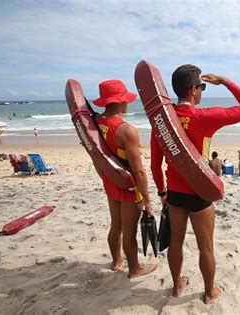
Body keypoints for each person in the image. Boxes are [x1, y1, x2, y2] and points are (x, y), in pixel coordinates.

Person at [150, 64, 240, 304]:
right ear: (193, 90)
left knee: (176, 242)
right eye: (202, 87)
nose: (202, 92)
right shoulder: (205, 116)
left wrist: (162, 192)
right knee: (205, 247)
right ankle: (209, 292)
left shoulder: (162, 122)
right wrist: (226, 81)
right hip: (200, 192)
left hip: (175, 193)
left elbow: (155, 164)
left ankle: (177, 286)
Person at [92, 79, 157, 279]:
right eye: (125, 100)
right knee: (129, 232)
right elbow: (139, 171)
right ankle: (135, 268)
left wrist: (104, 175)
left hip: (111, 180)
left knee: (116, 226)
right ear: (120, 101)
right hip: (129, 187)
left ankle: (116, 260)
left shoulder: (96, 123)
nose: (128, 104)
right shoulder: (126, 130)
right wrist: (146, 198)